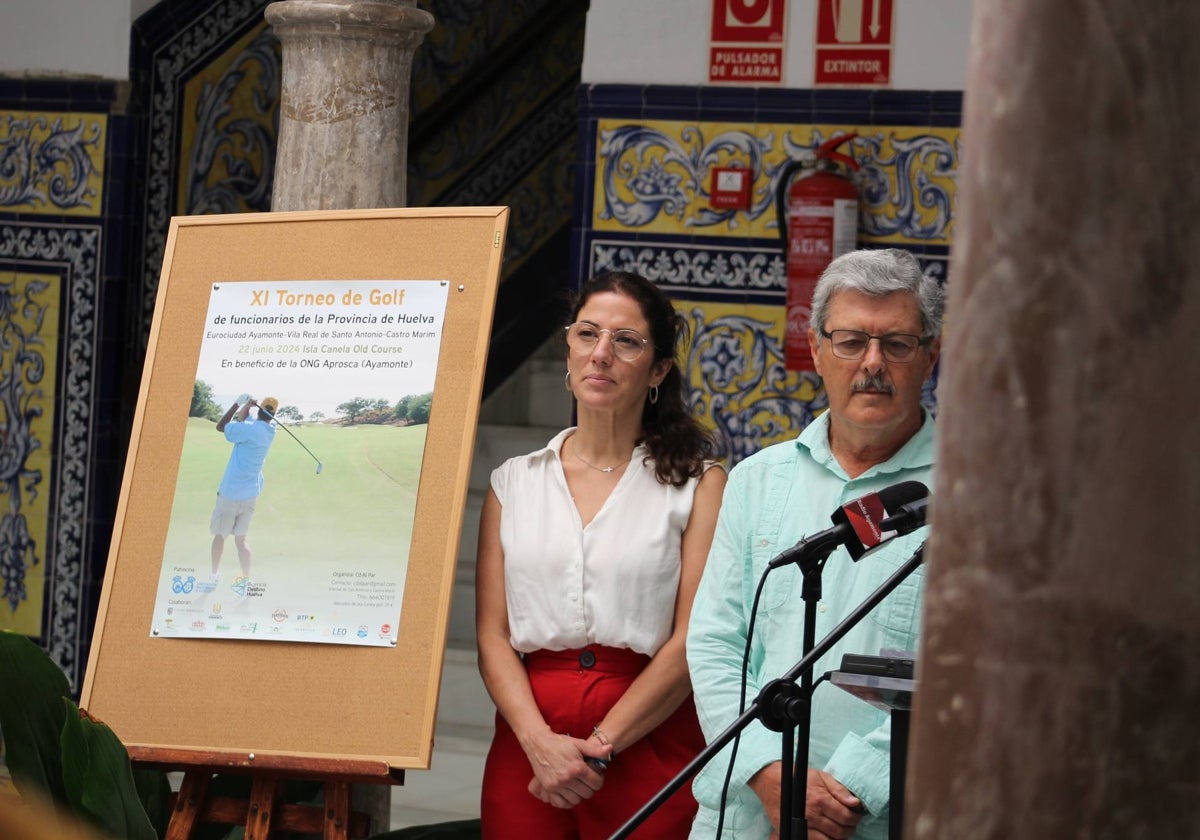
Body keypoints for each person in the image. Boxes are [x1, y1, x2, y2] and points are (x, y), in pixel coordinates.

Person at [686, 248, 943, 840]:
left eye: (897, 344)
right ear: (817, 349)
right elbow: (716, 643)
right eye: (852, 341)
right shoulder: (759, 479)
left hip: (877, 821)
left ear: (931, 355)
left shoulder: (973, 495)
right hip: (748, 813)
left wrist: (844, 797)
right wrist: (768, 774)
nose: (872, 363)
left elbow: (965, 674)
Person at [476, 270, 727, 839]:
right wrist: (540, 744)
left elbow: (692, 639)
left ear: (659, 369)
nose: (602, 354)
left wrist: (601, 746)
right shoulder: (512, 483)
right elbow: (492, 636)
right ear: (567, 350)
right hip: (530, 743)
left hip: (650, 736)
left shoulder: (698, 485)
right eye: (587, 334)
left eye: (628, 341)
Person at [209, 395, 278, 590]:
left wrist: (239, 404)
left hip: (230, 493)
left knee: (220, 536)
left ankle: (214, 575)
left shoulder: (248, 428)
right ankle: (246, 580)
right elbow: (246, 419)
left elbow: (221, 426)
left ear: (260, 410)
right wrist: (249, 408)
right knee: (241, 540)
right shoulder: (270, 429)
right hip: (250, 495)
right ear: (273, 415)